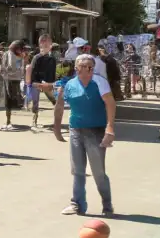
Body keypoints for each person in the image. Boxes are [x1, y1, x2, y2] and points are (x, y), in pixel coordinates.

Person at [50, 54, 117, 216]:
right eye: (84, 66)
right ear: (77, 68)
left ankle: (107, 205)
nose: (89, 69)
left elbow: (110, 103)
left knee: (98, 172)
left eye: (91, 66)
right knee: (78, 170)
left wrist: (110, 128)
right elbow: (59, 106)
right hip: (76, 131)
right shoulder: (70, 85)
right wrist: (57, 129)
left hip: (96, 131)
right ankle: (77, 204)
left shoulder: (100, 82)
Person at [26, 34, 59, 128]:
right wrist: (31, 83)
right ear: (40, 45)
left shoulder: (52, 59)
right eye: (43, 45)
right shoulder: (36, 57)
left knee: (54, 100)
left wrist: (52, 84)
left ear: (50, 46)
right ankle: (34, 120)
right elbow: (31, 70)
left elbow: (52, 72)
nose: (45, 47)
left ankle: (57, 119)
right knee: (35, 102)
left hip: (48, 83)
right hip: (36, 82)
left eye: (47, 45)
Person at [0, 40, 26, 130]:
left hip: (11, 78)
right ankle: (8, 121)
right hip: (12, 79)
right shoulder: (12, 54)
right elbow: (11, 67)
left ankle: (8, 120)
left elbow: (10, 66)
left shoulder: (11, 53)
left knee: (9, 100)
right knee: (10, 99)